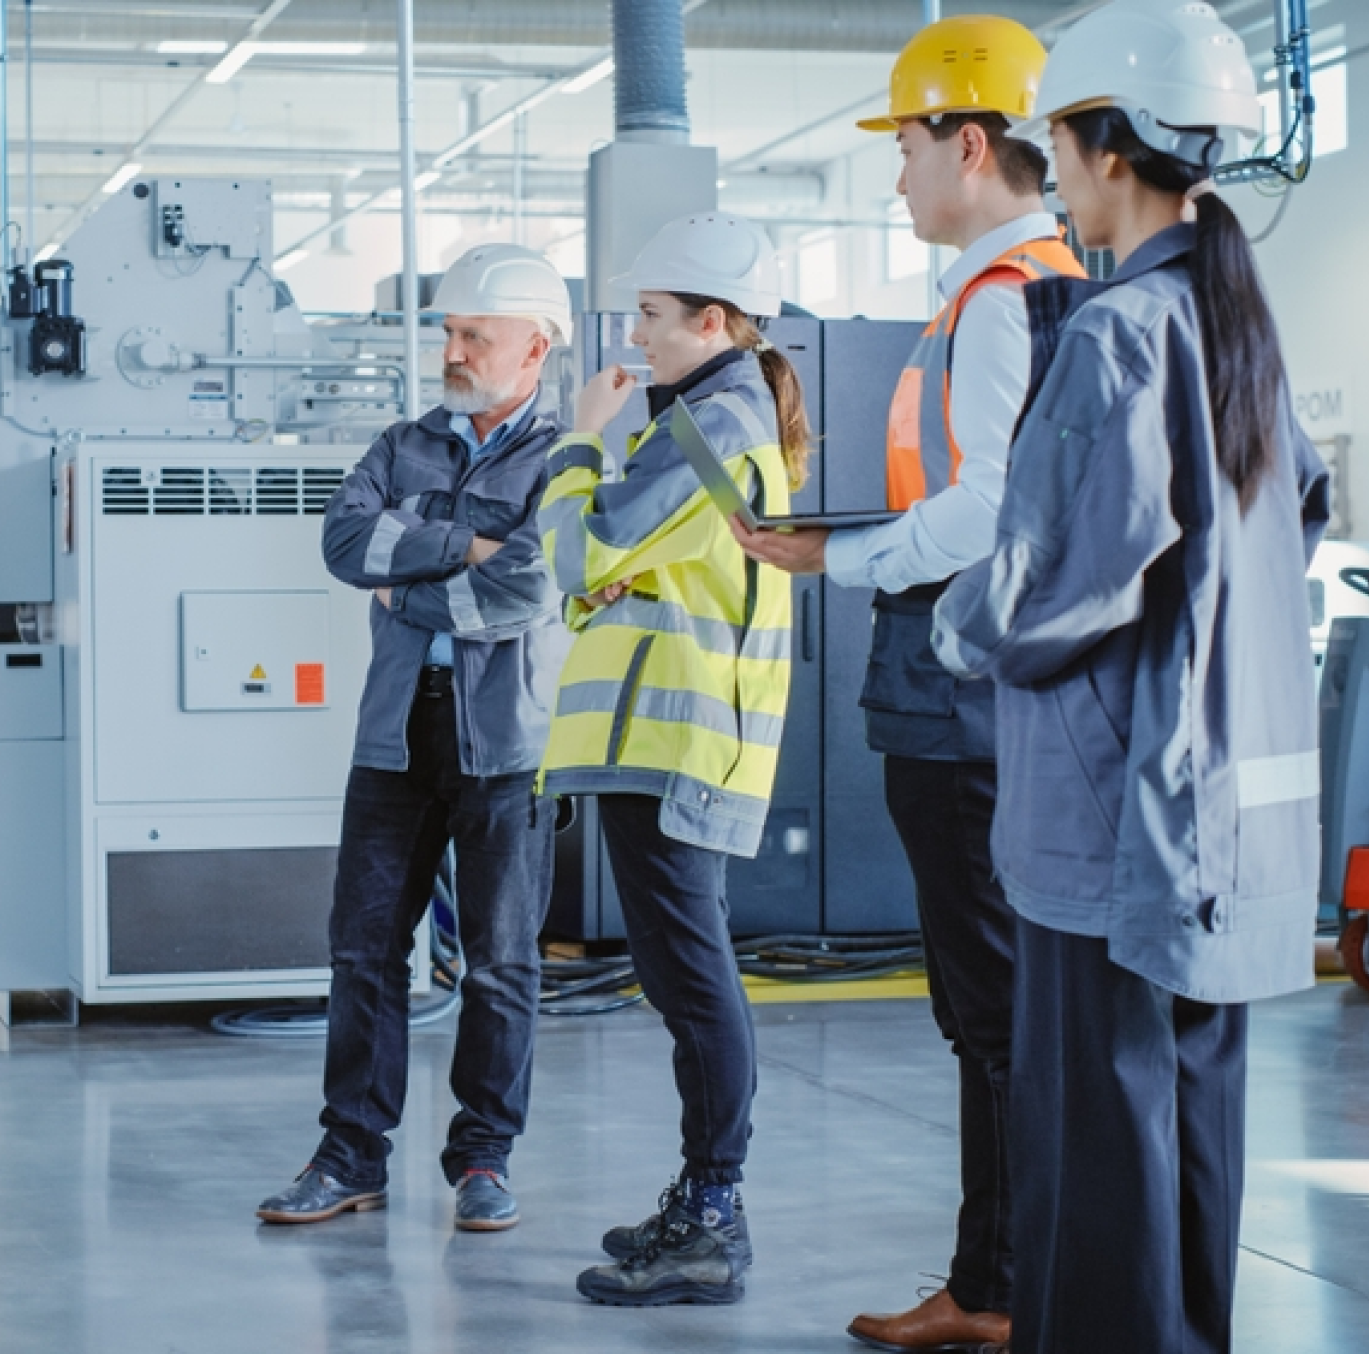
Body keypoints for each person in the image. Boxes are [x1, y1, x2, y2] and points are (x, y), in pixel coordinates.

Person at [931, 3, 1330, 1350]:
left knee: (1096, 1149)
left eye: (1056, 143)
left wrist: (948, 628)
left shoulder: (1116, 332)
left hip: (1112, 818)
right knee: (1186, 1122)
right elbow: (1283, 526)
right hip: (1224, 811)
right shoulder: (1237, 325)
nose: (1054, 172)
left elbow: (1054, 583)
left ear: (1106, 148)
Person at [732, 17, 1080, 1350]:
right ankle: (1002, 1275)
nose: (896, 176)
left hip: (964, 686)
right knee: (995, 1002)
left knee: (990, 1006)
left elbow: (988, 508)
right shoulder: (1031, 288)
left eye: (907, 146)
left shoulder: (1000, 301)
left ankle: (1001, 1286)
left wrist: (837, 554)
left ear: (969, 143)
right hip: (989, 685)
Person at [257, 244, 574, 1234]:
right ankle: (350, 1154)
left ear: (535, 347)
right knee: (362, 952)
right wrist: (470, 545)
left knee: (501, 963)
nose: (454, 350)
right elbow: (344, 543)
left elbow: (528, 586)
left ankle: (483, 1157)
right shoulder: (402, 443)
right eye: (449, 332)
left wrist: (414, 581)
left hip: (508, 746)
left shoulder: (566, 462)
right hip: (393, 735)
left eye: (475, 334)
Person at [539, 214, 806, 1307]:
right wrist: (605, 563)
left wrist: (576, 442)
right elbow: (610, 574)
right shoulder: (707, 422)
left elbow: (582, 550)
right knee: (683, 979)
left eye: (650, 315)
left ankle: (711, 1215)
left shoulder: (708, 429)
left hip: (676, 742)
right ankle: (702, 1201)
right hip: (666, 740)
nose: (635, 335)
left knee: (693, 985)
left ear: (713, 320)